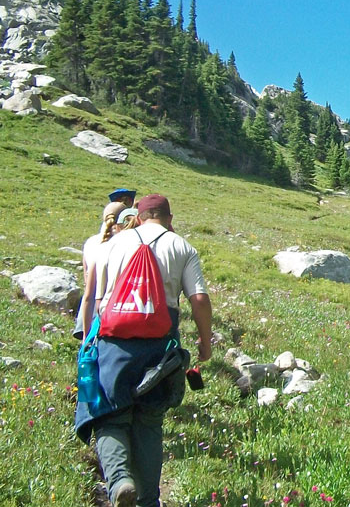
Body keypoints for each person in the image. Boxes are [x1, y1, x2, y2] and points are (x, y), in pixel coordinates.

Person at [75, 194, 212, 507]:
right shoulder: (181, 247)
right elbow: (199, 299)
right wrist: (205, 342)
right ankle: (149, 500)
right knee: (149, 420)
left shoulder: (111, 245)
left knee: (110, 416)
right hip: (160, 347)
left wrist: (88, 343)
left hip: (114, 342)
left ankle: (120, 479)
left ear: (137, 217)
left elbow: (95, 300)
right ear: (168, 217)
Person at [73, 201, 127, 340]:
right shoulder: (123, 244)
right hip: (112, 309)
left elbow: (87, 281)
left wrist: (85, 335)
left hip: (89, 308)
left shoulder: (91, 242)